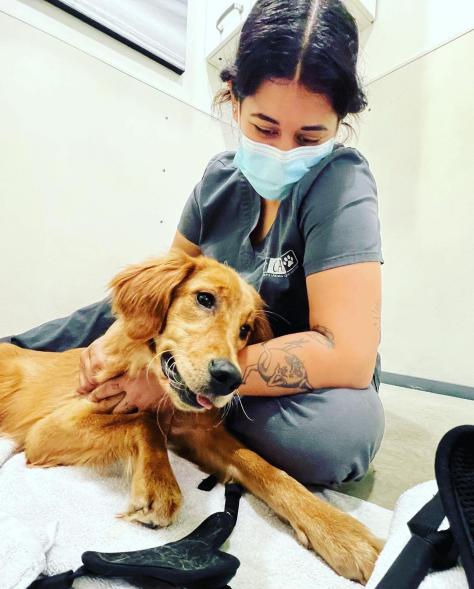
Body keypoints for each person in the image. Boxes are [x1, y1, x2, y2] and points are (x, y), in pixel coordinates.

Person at [1, 0, 384, 488]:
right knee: (117, 312)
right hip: (206, 357)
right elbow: (161, 293)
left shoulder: (342, 184)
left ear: (338, 128)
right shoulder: (218, 181)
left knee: (336, 437)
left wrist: (163, 382)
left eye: (310, 137)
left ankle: (182, 407)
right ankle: (13, 347)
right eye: (264, 128)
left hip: (300, 379)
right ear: (233, 99)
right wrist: (114, 349)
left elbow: (346, 354)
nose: (284, 151)